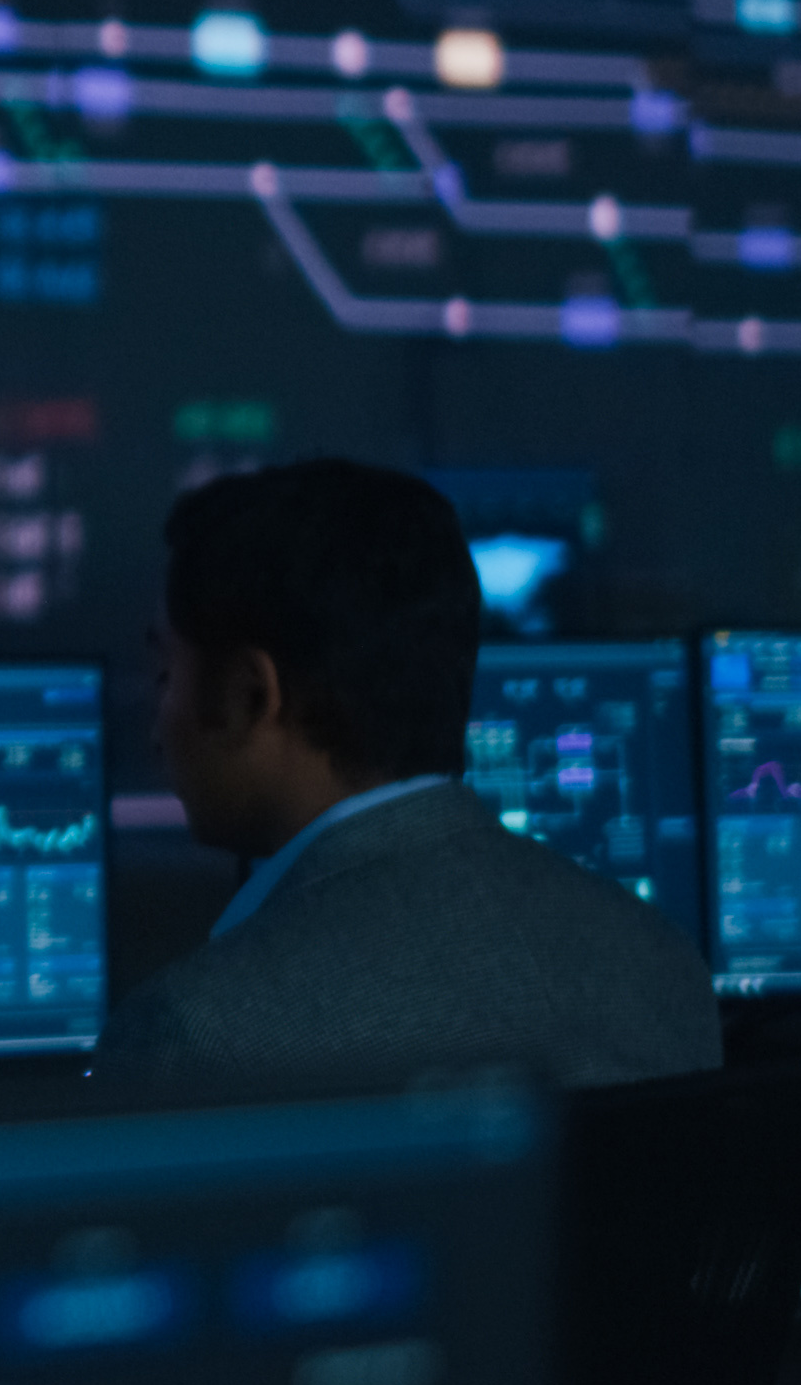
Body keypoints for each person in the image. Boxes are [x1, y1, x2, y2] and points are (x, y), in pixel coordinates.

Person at [98, 457, 721, 1093]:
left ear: (252, 696)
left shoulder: (195, 1035)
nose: (157, 726)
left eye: (167, 673)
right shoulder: (662, 962)